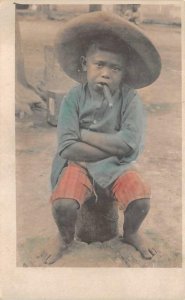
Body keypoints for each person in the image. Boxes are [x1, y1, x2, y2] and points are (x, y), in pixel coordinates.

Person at [45, 11, 161, 264]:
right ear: (85, 63)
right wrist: (112, 146)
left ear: (124, 72)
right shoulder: (73, 98)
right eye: (99, 65)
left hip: (116, 168)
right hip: (78, 165)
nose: (106, 73)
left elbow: (129, 144)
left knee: (140, 200)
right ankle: (64, 238)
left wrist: (84, 134)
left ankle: (131, 233)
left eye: (115, 68)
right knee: (63, 205)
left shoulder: (129, 99)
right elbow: (67, 148)